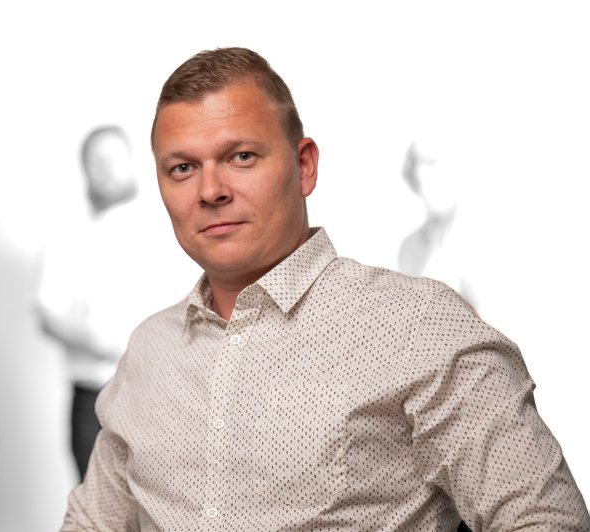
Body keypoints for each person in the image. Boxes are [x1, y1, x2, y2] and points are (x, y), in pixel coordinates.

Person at [60, 47, 590, 530]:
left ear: (304, 165)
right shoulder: (149, 352)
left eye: (241, 157)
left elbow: (548, 523)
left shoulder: (419, 325)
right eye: (182, 168)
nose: (211, 190)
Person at [37, 125, 189, 481]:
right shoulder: (67, 235)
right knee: (98, 504)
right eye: (97, 160)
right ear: (84, 168)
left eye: (113, 158)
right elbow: (47, 313)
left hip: (163, 394)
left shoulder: (170, 225)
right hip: (94, 398)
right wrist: (97, 342)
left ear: (131, 162)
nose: (106, 168)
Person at [399, 140, 478, 309]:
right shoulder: (410, 247)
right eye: (417, 163)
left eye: (432, 163)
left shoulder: (477, 249)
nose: (422, 173)